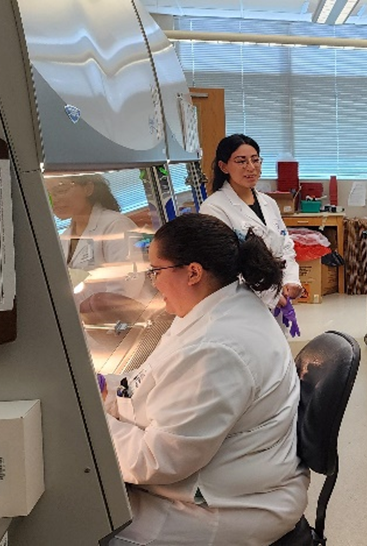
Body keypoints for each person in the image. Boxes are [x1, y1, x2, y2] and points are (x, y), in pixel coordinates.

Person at [101, 213, 308, 546]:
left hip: (229, 508)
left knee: (88, 526)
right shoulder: (220, 305)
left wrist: (96, 424)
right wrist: (108, 389)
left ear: (193, 272)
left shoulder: (218, 347)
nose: (153, 282)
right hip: (227, 478)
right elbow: (154, 380)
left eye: (156, 271)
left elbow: (157, 460)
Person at [200, 134, 302, 309]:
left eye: (255, 160)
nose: (251, 167)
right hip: (240, 301)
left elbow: (284, 245)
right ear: (223, 167)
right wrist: (271, 294)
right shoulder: (214, 208)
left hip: (277, 295)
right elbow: (227, 264)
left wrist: (291, 281)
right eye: (241, 161)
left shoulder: (268, 203)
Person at [45, 173, 145, 300]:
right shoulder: (63, 238)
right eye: (47, 193)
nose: (54, 199)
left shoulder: (116, 224)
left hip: (115, 316)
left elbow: (127, 285)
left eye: (60, 189)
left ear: (88, 189)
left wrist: (101, 313)